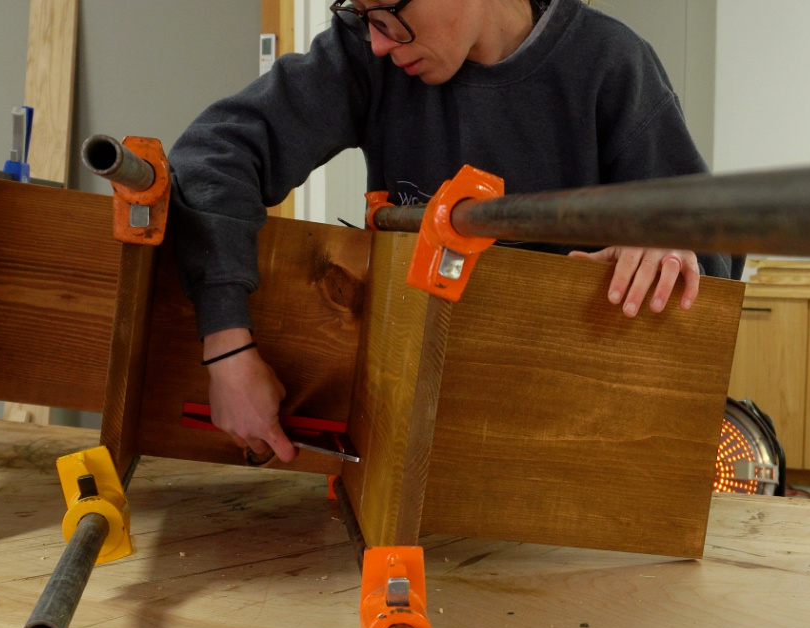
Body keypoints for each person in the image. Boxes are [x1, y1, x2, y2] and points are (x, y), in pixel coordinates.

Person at [166, 0, 736, 463]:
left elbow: (713, 243)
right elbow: (214, 154)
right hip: (407, 436)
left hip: (568, 447)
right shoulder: (364, 56)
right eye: (364, 17)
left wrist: (670, 246)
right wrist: (227, 346)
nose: (378, 42)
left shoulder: (611, 65)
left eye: (389, 16)